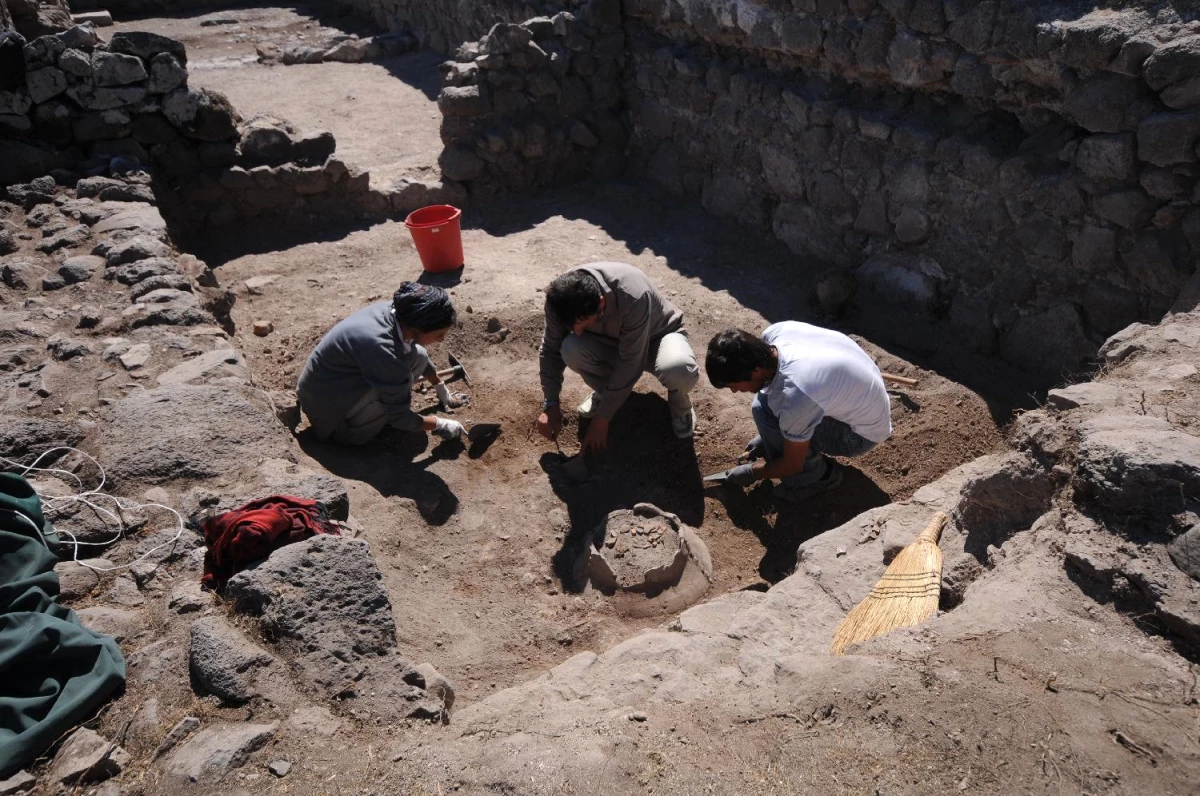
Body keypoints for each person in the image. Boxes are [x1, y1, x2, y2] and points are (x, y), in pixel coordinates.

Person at [704, 322, 892, 503]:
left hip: (859, 434)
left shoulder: (796, 396)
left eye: (734, 385)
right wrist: (768, 437)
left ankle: (820, 478)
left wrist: (753, 472)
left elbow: (792, 464)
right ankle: (787, 437)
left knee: (775, 415)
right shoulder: (775, 334)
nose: (734, 391)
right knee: (762, 407)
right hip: (858, 400)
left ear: (756, 370)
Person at [536, 262, 700, 453]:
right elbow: (550, 350)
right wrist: (551, 403)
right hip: (611, 342)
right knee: (570, 348)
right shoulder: (558, 299)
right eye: (572, 327)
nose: (577, 332)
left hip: (658, 338)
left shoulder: (632, 296)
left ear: (601, 303)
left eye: (582, 324)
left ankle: (680, 406)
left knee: (679, 369)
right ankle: (606, 393)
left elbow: (630, 364)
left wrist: (602, 419)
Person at [297, 282, 467, 446]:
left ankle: (371, 410)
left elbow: (417, 353)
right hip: (329, 416)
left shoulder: (399, 314)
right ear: (420, 327)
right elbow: (399, 416)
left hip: (328, 387)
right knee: (397, 392)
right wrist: (439, 423)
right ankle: (353, 433)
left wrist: (440, 388)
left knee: (419, 356)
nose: (441, 340)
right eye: (439, 334)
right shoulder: (385, 349)